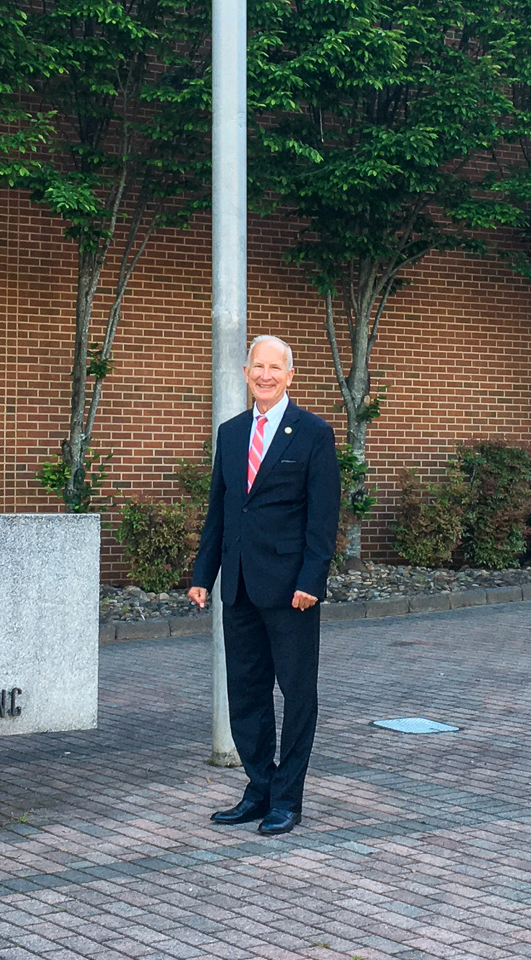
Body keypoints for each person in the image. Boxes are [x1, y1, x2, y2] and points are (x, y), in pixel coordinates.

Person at [187, 334, 340, 836]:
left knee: (297, 695)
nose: (266, 375)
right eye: (258, 366)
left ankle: (287, 799)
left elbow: (322, 516)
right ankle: (258, 788)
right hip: (241, 589)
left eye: (276, 367)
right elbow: (221, 512)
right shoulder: (230, 434)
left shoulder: (313, 433)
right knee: (246, 693)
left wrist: (312, 579)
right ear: (247, 373)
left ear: (290, 376)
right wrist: (202, 576)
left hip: (292, 590)